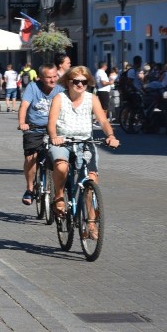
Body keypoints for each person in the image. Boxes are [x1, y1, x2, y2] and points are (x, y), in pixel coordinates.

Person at [47, 66, 120, 228]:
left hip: (85, 142)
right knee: (61, 166)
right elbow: (51, 123)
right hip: (63, 141)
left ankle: (92, 224)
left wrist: (111, 136)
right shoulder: (59, 98)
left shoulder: (92, 99)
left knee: (91, 179)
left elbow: (103, 121)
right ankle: (59, 196)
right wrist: (54, 137)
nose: (80, 85)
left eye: (84, 82)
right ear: (68, 82)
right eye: (76, 81)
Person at [17, 64, 63, 206]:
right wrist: (22, 123)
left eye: (55, 76)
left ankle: (60, 193)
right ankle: (30, 188)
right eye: (48, 77)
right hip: (34, 129)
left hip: (54, 130)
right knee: (31, 158)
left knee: (60, 160)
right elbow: (24, 106)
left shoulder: (61, 88)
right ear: (40, 78)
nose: (52, 80)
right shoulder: (33, 87)